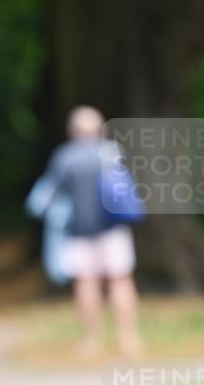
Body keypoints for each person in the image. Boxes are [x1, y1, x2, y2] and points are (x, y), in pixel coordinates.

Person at [39, 106, 141, 358]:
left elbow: (49, 195)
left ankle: (92, 340)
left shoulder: (65, 156)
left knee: (86, 282)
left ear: (72, 131)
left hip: (79, 231)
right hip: (115, 229)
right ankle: (128, 338)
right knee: (121, 280)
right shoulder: (112, 152)